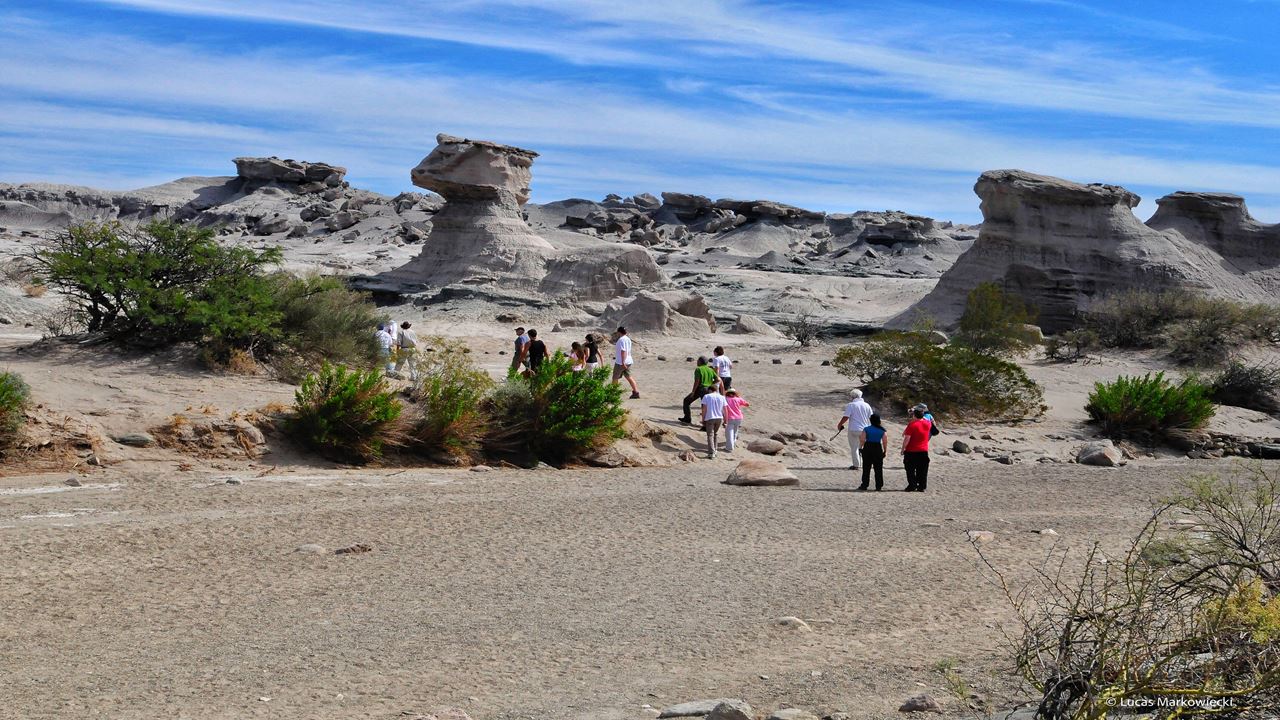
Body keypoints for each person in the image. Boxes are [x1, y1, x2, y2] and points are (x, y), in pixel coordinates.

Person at [836, 389, 874, 470]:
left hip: (854, 429)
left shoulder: (851, 405)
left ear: (852, 396)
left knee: (854, 447)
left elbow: (846, 416)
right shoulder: (867, 405)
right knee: (865, 447)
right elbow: (872, 417)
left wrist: (840, 424)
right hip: (865, 429)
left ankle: (856, 465)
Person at [680, 356, 720, 425]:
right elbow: (718, 379)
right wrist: (710, 384)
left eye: (698, 360)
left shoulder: (698, 369)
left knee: (687, 401)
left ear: (700, 362)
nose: (697, 362)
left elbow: (697, 382)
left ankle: (688, 418)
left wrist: (693, 391)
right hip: (708, 389)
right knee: (705, 406)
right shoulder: (710, 369)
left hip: (701, 389)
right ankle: (707, 423)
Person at [901, 406, 933, 492]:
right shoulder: (928, 423)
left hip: (911, 450)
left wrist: (903, 449)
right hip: (923, 450)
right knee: (922, 470)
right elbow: (926, 421)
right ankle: (922, 486)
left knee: (910, 469)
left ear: (914, 415)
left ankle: (912, 485)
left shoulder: (912, 425)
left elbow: (907, 439)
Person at [857, 413, 888, 491]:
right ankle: (879, 485)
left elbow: (862, 439)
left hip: (868, 447)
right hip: (877, 448)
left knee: (866, 468)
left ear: (871, 420)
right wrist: (885, 451)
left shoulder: (866, 429)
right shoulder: (882, 430)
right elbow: (885, 441)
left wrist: (860, 448)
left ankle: (864, 485)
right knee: (878, 468)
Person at [700, 383, 727, 458]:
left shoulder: (706, 396)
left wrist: (703, 419)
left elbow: (704, 409)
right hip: (719, 418)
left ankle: (711, 452)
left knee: (710, 435)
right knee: (715, 434)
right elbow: (725, 410)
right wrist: (726, 420)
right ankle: (715, 449)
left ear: (710, 390)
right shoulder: (722, 397)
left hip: (710, 417)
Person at [612, 326, 640, 399]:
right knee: (629, 377)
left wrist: (623, 362)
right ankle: (636, 392)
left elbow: (623, 351)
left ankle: (613, 393)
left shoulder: (621, 340)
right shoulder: (628, 339)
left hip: (621, 362)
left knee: (615, 377)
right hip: (629, 360)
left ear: (619, 332)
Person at [723, 388, 750, 453]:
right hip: (739, 417)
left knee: (729, 432)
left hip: (730, 417)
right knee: (735, 431)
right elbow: (747, 404)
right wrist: (738, 399)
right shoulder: (738, 399)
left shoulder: (725, 399)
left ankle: (729, 447)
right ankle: (733, 442)